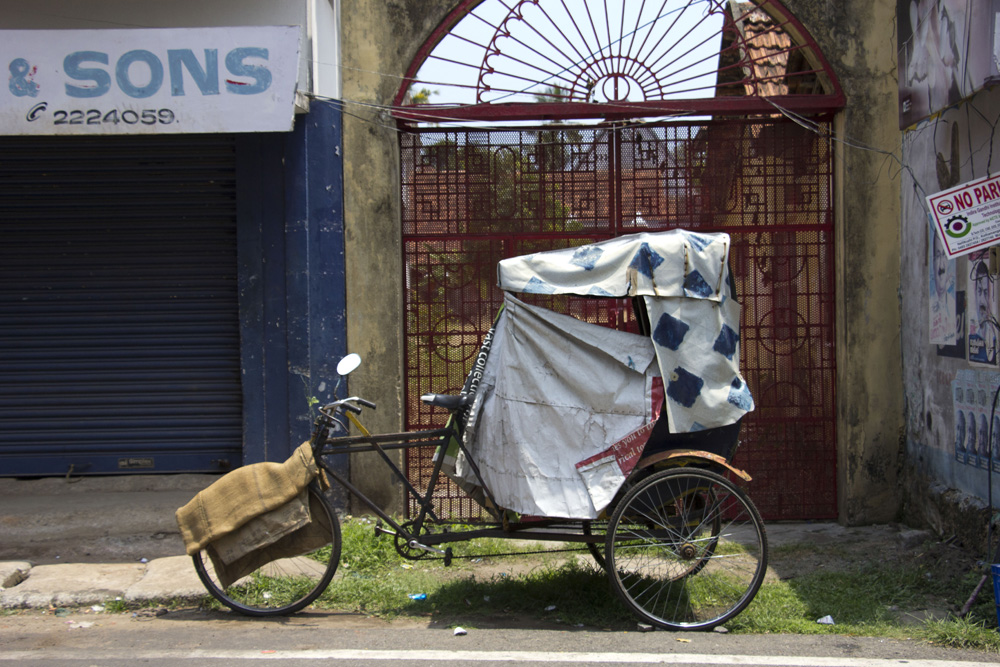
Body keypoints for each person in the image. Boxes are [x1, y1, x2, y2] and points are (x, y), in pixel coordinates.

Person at [969, 260, 999, 364]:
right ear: (975, 291)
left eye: (986, 292)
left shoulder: (992, 332)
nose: (982, 300)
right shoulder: (972, 331)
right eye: (979, 291)